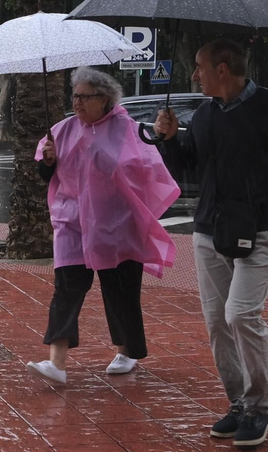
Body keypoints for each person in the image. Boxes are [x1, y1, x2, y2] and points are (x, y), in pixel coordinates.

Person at [153, 38, 268, 449]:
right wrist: (169, 139)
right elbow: (189, 168)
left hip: (260, 228)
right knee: (217, 322)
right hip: (210, 230)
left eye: (199, 66)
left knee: (241, 314)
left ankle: (259, 408)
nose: (194, 75)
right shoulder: (206, 113)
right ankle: (239, 403)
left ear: (222, 70)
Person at [28, 67, 179, 385]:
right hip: (72, 222)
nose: (77, 102)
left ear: (106, 99)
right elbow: (45, 173)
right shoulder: (62, 130)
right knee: (66, 289)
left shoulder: (127, 129)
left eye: (85, 96)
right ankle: (57, 362)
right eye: (75, 96)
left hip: (117, 223)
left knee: (120, 289)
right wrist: (49, 161)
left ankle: (126, 351)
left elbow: (149, 166)